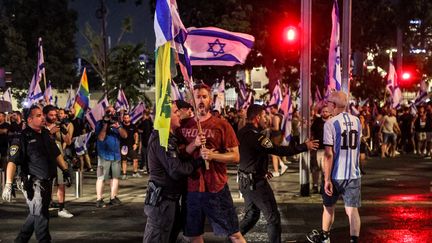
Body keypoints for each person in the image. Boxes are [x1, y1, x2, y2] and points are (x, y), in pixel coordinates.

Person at [237, 104, 318, 242]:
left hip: (245, 181)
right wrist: (305, 146)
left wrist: (262, 169)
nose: (266, 118)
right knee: (273, 218)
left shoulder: (242, 132)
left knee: (252, 215)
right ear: (257, 117)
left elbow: (249, 155)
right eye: (264, 116)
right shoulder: (257, 137)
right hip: (256, 184)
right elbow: (278, 150)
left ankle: (232, 237)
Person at [177, 83, 246, 243]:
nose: (201, 100)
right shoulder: (184, 126)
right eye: (197, 97)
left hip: (216, 188)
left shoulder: (222, 125)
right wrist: (193, 144)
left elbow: (236, 156)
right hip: (192, 189)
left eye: (204, 97)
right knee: (193, 236)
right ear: (192, 100)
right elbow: (180, 154)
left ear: (210, 100)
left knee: (234, 234)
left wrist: (213, 156)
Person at [2, 105, 72, 242]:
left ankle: (20, 240)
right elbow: (12, 161)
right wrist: (8, 184)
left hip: (46, 182)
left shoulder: (45, 133)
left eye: (42, 115)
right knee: (41, 214)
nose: (42, 118)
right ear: (29, 120)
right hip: (33, 183)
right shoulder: (21, 137)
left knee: (36, 213)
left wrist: (65, 170)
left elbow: (56, 153)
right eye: (38, 116)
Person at [306, 91, 362, 243]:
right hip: (353, 173)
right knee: (352, 210)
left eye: (329, 102)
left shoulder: (330, 124)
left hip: (336, 174)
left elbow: (329, 154)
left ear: (335, 105)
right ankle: (354, 240)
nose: (327, 104)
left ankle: (325, 238)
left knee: (328, 207)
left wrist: (326, 179)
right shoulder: (357, 121)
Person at [143, 103, 200, 243]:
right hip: (162, 202)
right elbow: (176, 170)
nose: (179, 114)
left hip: (169, 201)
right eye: (176, 112)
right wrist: (197, 162)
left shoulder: (168, 138)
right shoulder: (162, 139)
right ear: (166, 117)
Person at [43, 105, 74, 218]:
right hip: (45, 160)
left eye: (55, 115)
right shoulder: (41, 126)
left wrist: (64, 131)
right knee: (46, 184)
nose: (54, 117)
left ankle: (61, 208)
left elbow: (68, 141)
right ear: (45, 115)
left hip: (59, 158)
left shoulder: (58, 126)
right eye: (51, 115)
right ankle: (45, 207)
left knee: (61, 183)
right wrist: (50, 132)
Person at [95, 106, 127, 208]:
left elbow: (125, 135)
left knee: (115, 177)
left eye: (113, 111)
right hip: (103, 156)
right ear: (105, 112)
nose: (112, 113)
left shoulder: (117, 123)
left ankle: (113, 197)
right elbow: (100, 138)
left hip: (116, 156)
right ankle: (99, 199)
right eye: (109, 112)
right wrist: (106, 124)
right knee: (101, 177)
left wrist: (118, 127)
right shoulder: (100, 123)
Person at [310, 105, 331, 193]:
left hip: (328, 148)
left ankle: (323, 185)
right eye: (323, 111)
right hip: (317, 147)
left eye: (326, 111)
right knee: (315, 167)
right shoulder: (317, 121)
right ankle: (315, 186)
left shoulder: (332, 122)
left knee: (325, 168)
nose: (325, 113)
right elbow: (312, 132)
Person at [269, 104, 288, 177]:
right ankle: (282, 165)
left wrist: (269, 128)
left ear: (275, 109)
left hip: (276, 135)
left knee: (273, 153)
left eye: (271, 109)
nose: (270, 110)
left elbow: (276, 128)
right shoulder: (281, 116)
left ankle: (276, 171)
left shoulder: (276, 117)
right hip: (280, 135)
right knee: (274, 152)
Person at [120, 113, 141, 179]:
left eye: (127, 117)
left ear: (130, 118)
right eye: (125, 118)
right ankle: (124, 174)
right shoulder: (121, 126)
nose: (126, 119)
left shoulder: (133, 126)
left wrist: (136, 143)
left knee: (135, 159)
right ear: (123, 118)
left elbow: (136, 135)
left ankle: (135, 173)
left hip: (132, 146)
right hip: (123, 146)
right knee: (124, 160)